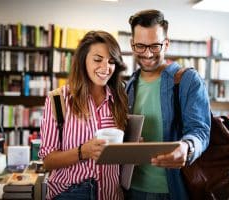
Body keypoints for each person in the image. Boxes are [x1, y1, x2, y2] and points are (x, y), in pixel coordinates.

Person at [125, 9, 211, 200]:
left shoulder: (188, 80)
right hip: (130, 188)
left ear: (166, 43)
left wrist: (187, 147)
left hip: (171, 191)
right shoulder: (129, 85)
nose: (147, 54)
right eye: (140, 46)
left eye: (155, 46)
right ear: (132, 45)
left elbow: (200, 131)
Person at [39, 30, 128, 200]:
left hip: (111, 194)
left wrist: (132, 150)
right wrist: (83, 152)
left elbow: (118, 156)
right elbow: (48, 160)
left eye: (111, 61)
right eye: (97, 59)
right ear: (83, 60)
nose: (105, 67)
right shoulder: (59, 99)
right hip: (71, 193)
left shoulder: (119, 98)